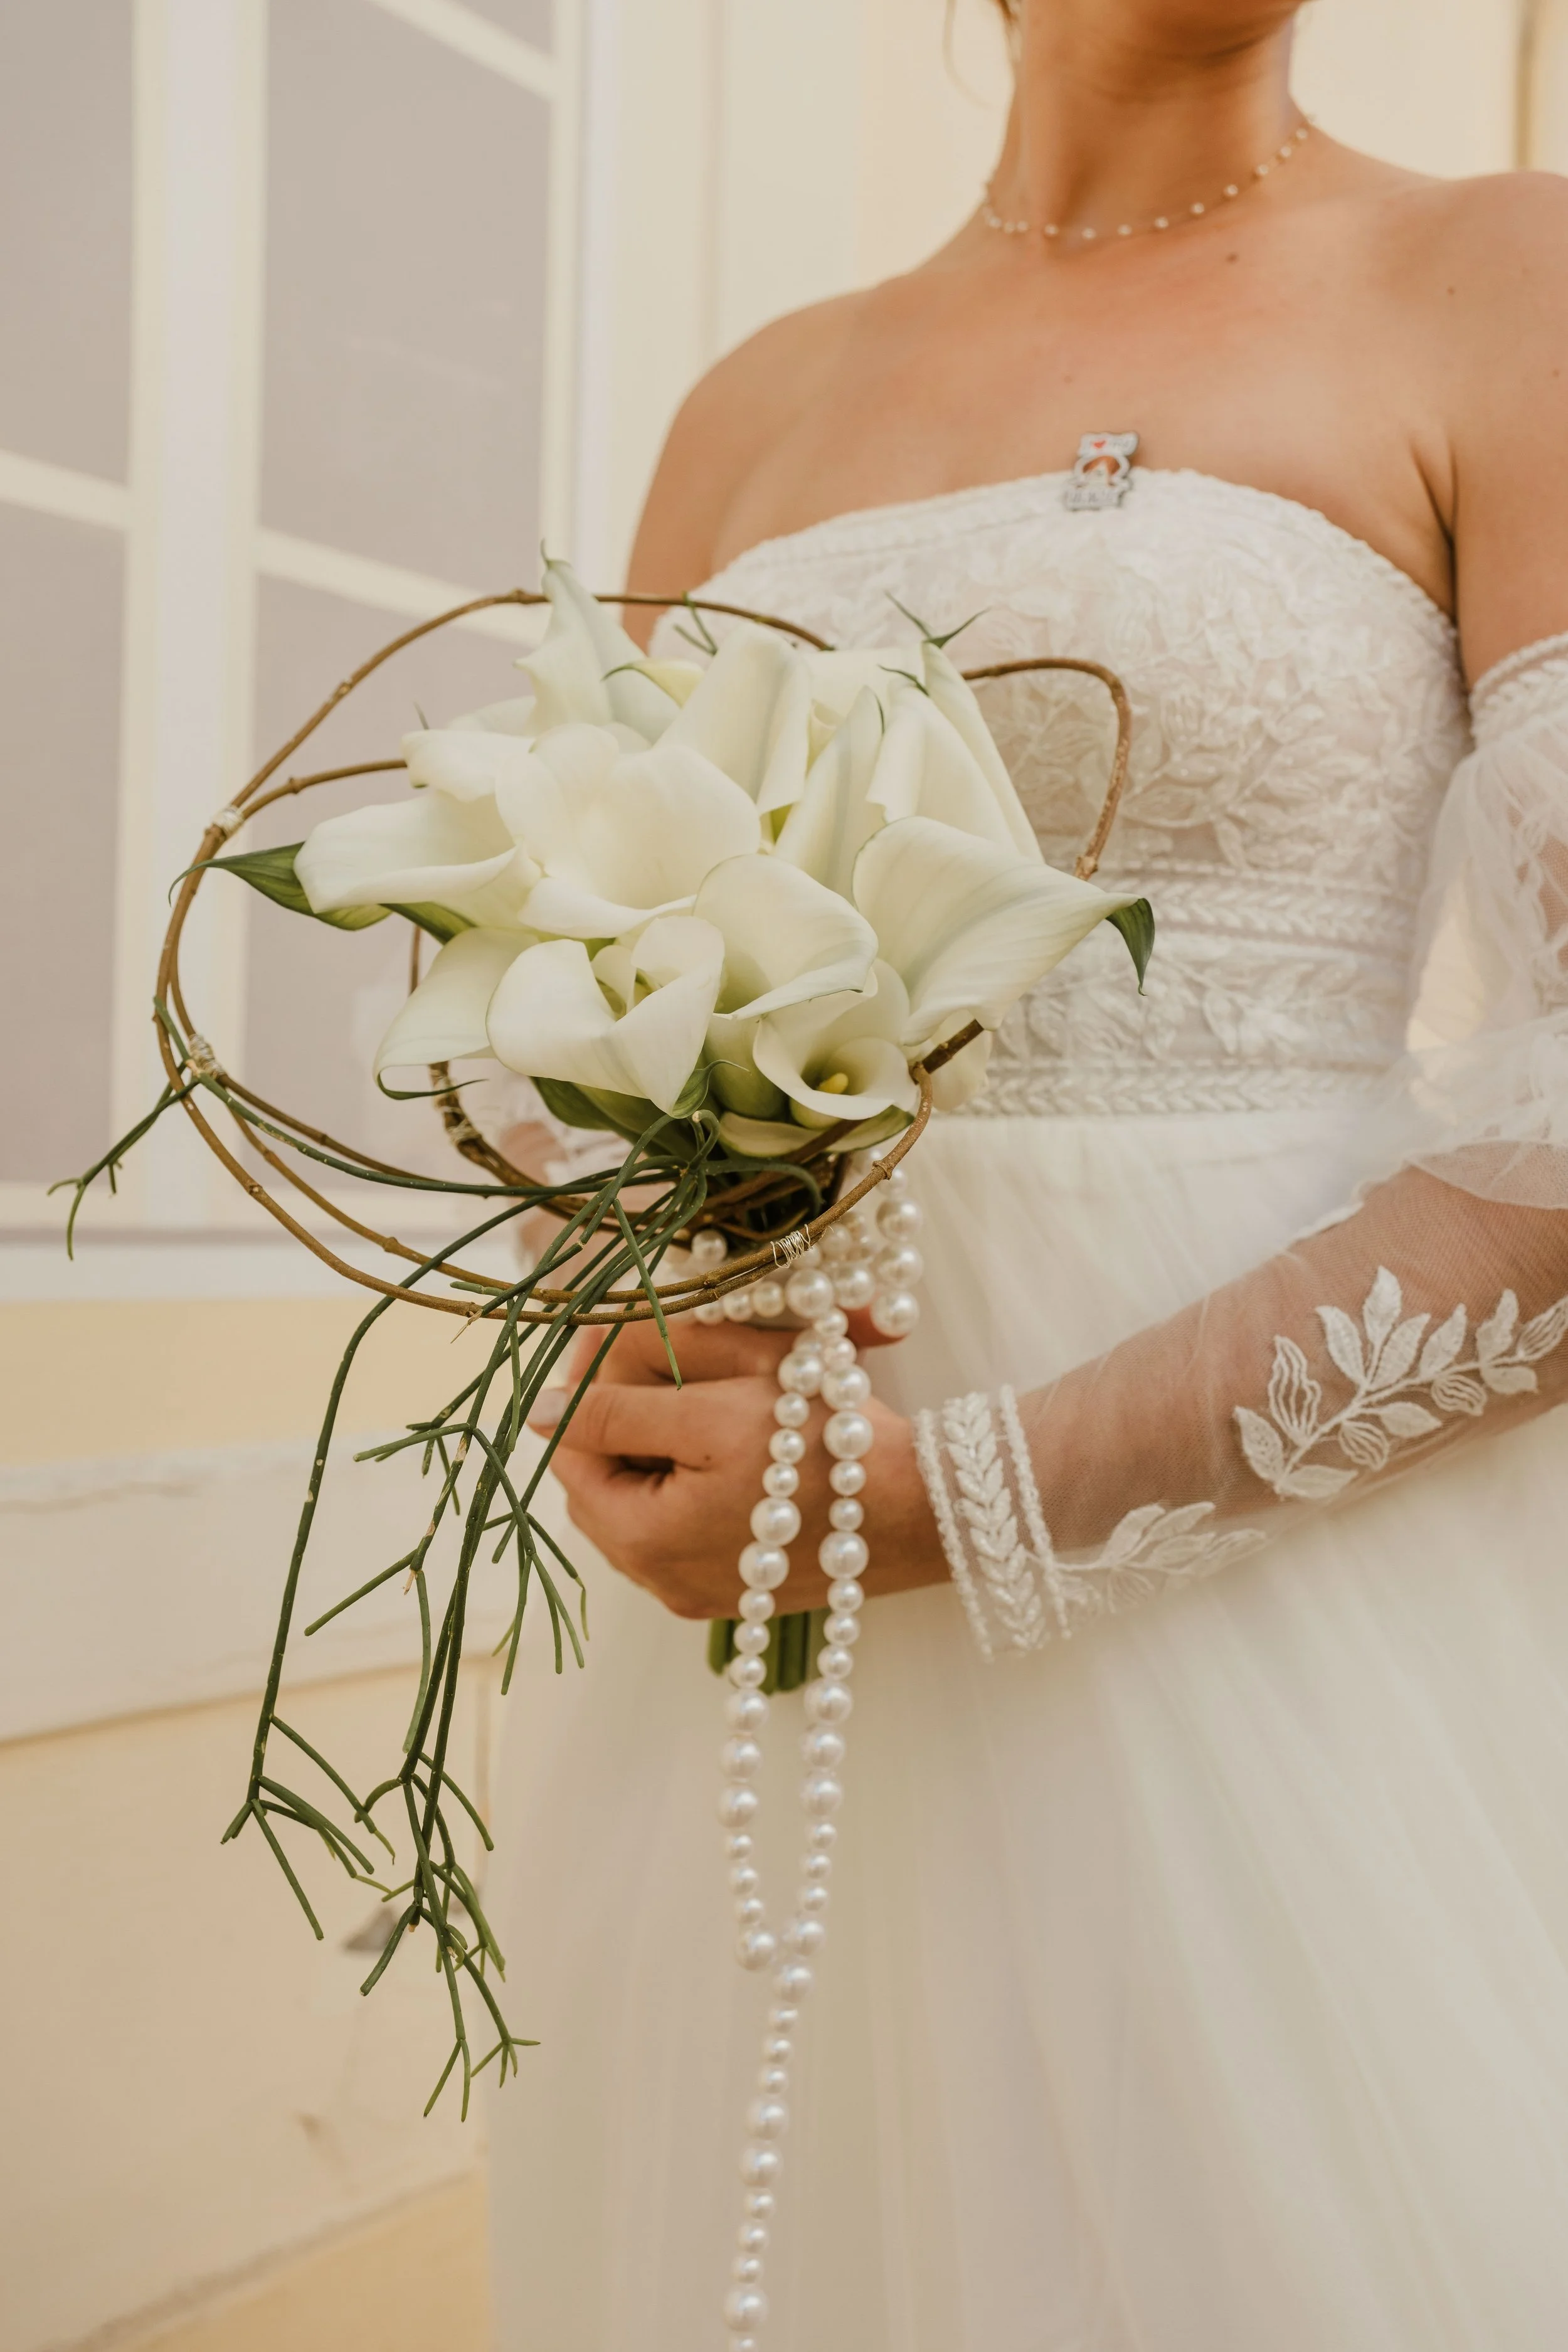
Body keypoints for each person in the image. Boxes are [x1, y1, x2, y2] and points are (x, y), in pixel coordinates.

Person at [489, 4, 1568, 2343]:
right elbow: (581, 984)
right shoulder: (752, 403)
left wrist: (965, 1496)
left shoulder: (1511, 280)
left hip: (1271, 1594)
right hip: (771, 1601)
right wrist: (625, 1319)